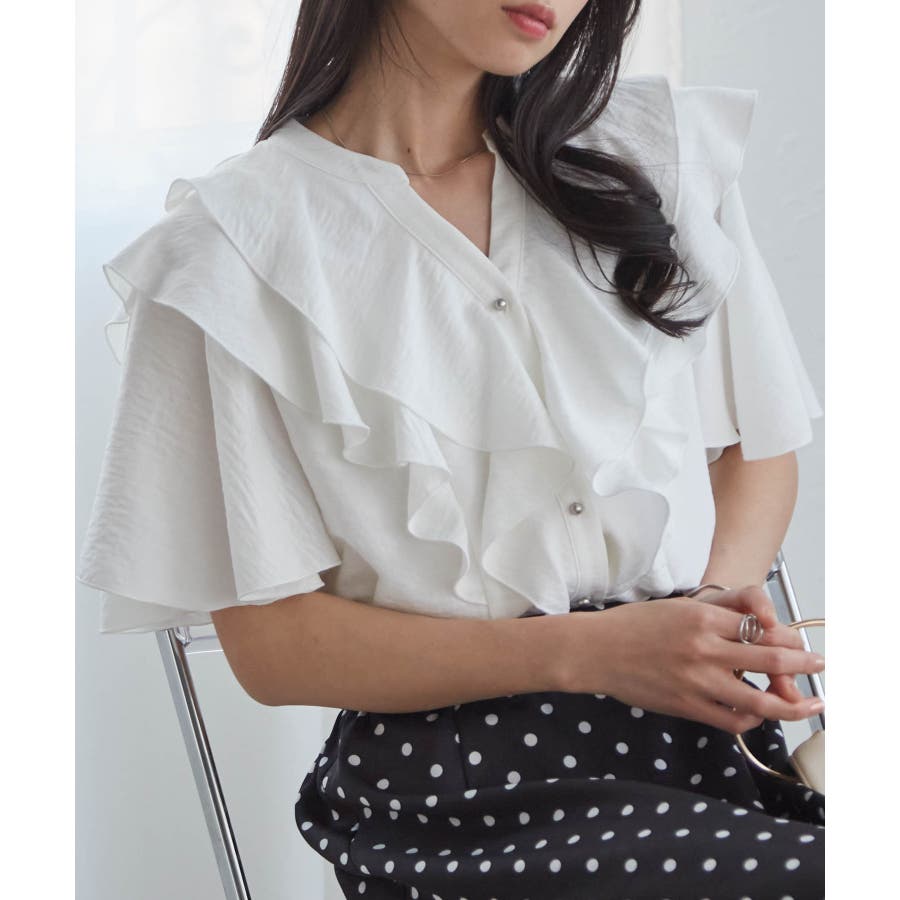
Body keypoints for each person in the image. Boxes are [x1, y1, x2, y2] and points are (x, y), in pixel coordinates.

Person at [76, 0, 826, 897]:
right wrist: (593, 652)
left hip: (711, 743)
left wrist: (707, 614)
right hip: (460, 789)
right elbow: (272, 647)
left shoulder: (655, 155)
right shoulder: (230, 251)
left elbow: (757, 445)